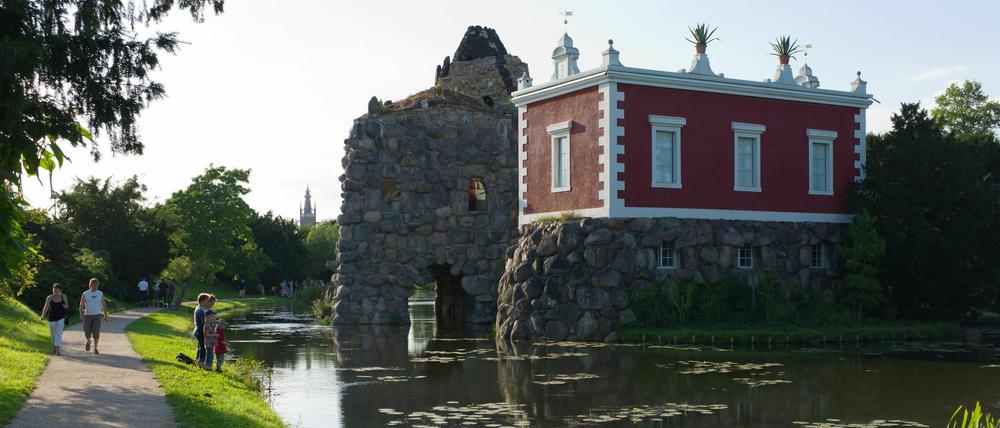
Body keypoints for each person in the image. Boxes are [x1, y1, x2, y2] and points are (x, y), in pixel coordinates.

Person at [79, 278, 108, 354]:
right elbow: (81, 305)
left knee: (96, 332)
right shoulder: (85, 293)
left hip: (97, 316)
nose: (96, 286)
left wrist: (105, 315)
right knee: (87, 332)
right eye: (94, 285)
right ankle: (88, 341)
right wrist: (81, 315)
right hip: (87, 315)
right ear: (90, 285)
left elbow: (104, 305)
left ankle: (95, 348)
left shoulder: (100, 293)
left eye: (97, 285)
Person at [39, 283, 69, 356]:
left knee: (58, 333)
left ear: (60, 289)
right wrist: (43, 315)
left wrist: (64, 305)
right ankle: (55, 347)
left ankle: (58, 351)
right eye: (53, 288)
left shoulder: (63, 296)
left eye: (56, 289)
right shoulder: (50, 297)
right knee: (53, 335)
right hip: (52, 318)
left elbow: (67, 306)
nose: (54, 290)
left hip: (61, 318)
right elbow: (46, 307)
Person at [192, 293, 215, 369]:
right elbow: (204, 324)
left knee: (200, 347)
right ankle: (201, 364)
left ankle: (198, 361)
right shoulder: (200, 311)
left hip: (200, 331)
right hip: (201, 332)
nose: (209, 302)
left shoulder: (202, 309)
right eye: (207, 300)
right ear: (202, 300)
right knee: (203, 348)